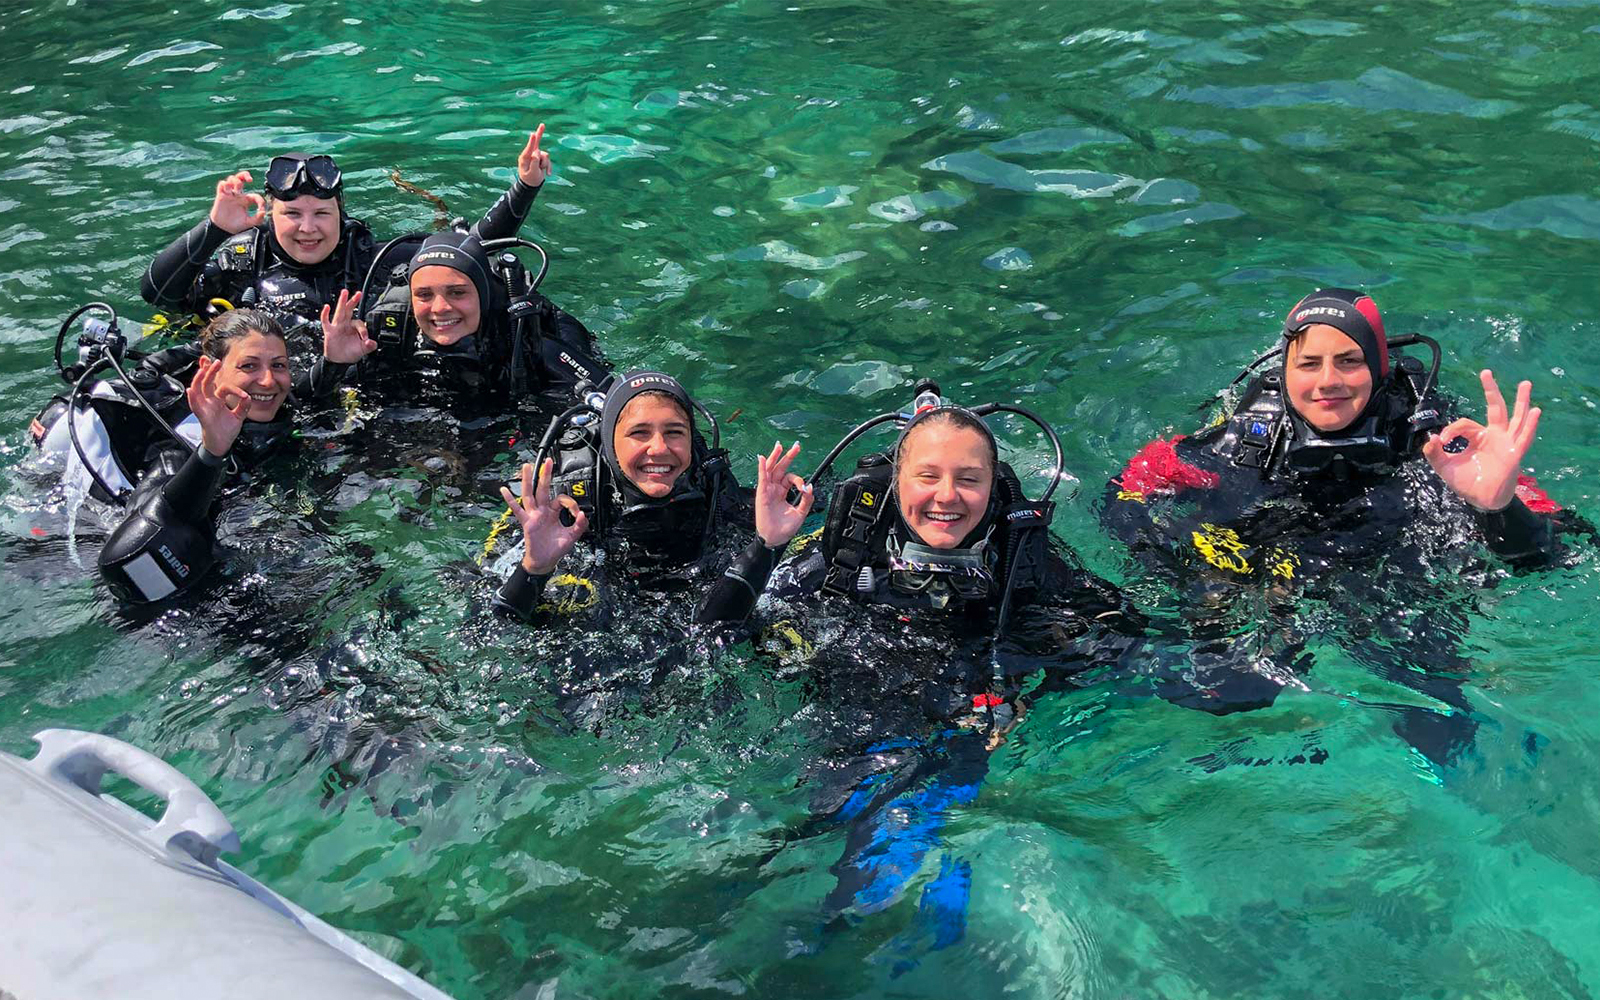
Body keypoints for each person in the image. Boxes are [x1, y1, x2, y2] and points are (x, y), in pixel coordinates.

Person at [1101, 286, 1573, 765]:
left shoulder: (1444, 446)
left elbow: (1549, 557)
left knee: (1440, 722)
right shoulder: (1239, 439)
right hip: (1277, 566)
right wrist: (1202, 574)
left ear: (1378, 366)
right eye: (1308, 364)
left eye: (1349, 361)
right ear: (1284, 370)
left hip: (1396, 578)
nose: (1328, 381)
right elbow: (1124, 497)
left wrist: (1496, 505)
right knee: (1216, 692)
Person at [32, 299, 374, 602]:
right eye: (249, 366)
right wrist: (212, 450)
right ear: (210, 371)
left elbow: (297, 397)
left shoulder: (264, 406)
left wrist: (333, 363)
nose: (269, 381)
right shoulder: (179, 441)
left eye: (279, 365)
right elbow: (135, 545)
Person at [138, 126, 554, 333]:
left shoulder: (370, 258)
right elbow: (160, 296)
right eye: (292, 215)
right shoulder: (245, 262)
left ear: (341, 214)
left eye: (321, 214)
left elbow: (470, 250)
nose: (307, 228)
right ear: (270, 216)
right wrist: (214, 229)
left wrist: (525, 187)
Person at [491, 370, 752, 622]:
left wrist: (773, 541)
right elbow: (493, 621)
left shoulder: (712, 482)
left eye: (674, 432)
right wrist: (535, 568)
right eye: (639, 433)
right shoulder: (552, 504)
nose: (659, 448)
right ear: (611, 441)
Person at [349, 226, 608, 405]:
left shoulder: (521, 336)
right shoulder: (389, 332)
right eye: (424, 295)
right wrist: (332, 363)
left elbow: (615, 399)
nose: (439, 308)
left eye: (457, 293)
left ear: (483, 297)